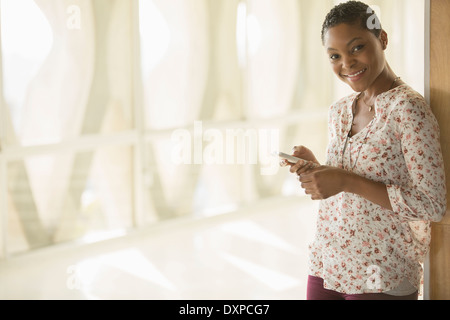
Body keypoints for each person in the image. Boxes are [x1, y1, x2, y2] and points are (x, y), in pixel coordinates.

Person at [282, 1, 447, 300]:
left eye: (356, 48)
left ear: (382, 39)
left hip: (381, 273)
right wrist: (317, 168)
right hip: (327, 262)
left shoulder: (407, 109)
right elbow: (353, 180)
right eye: (335, 56)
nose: (347, 63)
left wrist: (344, 181)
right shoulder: (340, 110)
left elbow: (432, 205)